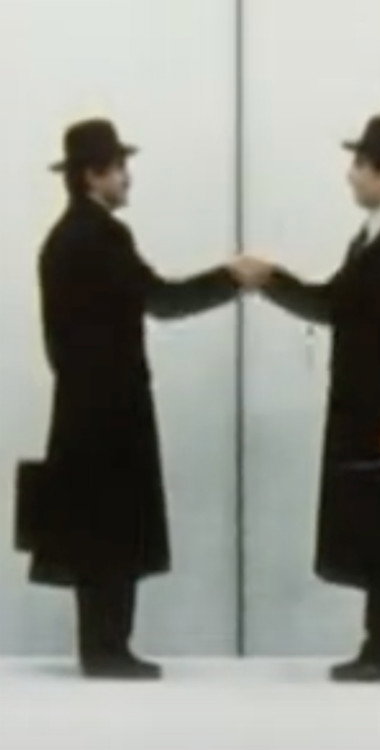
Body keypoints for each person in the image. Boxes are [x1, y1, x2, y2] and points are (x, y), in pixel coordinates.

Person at [231, 115, 380, 681]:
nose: (351, 176)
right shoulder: (374, 238)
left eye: (359, 165)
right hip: (363, 406)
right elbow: (336, 305)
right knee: (377, 524)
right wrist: (270, 280)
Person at [33, 119, 240, 679]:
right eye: (119, 168)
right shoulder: (102, 237)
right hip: (111, 407)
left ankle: (99, 647)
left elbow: (57, 340)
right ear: (93, 175)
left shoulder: (61, 238)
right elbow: (161, 299)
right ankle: (109, 650)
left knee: (93, 526)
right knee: (114, 523)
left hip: (79, 404)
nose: (127, 178)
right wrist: (231, 280)